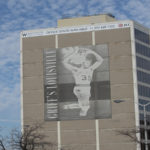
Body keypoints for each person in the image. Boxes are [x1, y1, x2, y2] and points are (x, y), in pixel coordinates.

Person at [63, 47, 103, 116]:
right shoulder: (77, 69)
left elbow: (100, 60)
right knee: (85, 106)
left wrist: (92, 52)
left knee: (85, 106)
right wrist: (74, 53)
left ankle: (80, 110)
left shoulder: (90, 69)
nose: (86, 62)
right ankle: (81, 110)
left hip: (82, 89)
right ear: (82, 61)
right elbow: (64, 62)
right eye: (85, 60)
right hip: (82, 88)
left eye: (88, 61)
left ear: (89, 63)